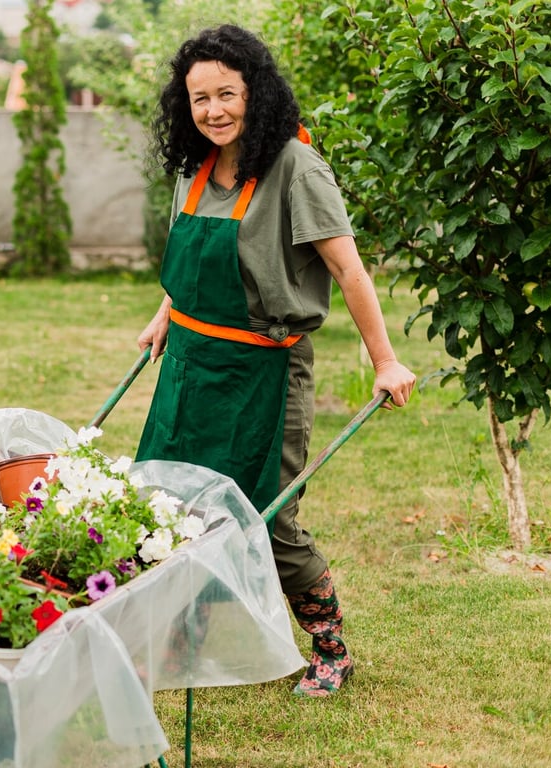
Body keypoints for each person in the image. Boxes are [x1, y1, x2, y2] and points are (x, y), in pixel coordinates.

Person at [135, 24, 416, 697]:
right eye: (199, 98)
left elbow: (347, 270)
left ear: (254, 92)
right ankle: (186, 629)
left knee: (268, 511)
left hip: (264, 370)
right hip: (191, 366)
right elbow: (195, 268)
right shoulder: (194, 167)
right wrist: (165, 315)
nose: (213, 110)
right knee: (173, 495)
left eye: (226, 94)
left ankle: (330, 648)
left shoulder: (295, 166)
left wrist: (385, 360)